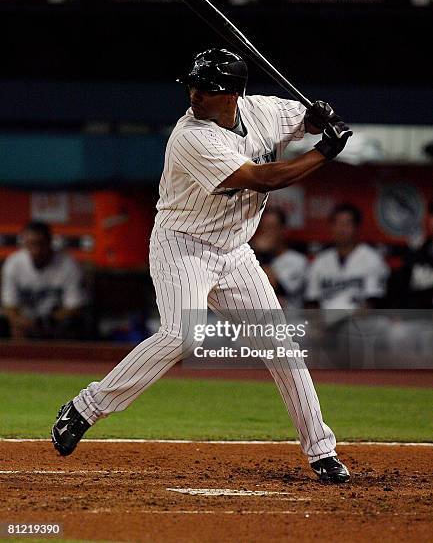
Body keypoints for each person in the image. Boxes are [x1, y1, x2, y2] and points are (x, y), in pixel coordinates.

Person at [52, 47, 352, 483]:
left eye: (206, 88)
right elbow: (265, 178)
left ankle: (321, 451)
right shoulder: (191, 135)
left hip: (234, 251)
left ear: (232, 94)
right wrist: (325, 151)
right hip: (183, 245)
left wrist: (318, 118)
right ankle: (86, 407)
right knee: (182, 335)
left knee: (280, 347)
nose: (194, 94)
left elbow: (303, 120)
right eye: (192, 85)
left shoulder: (264, 111)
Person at [1, 221, 87, 340]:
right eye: (31, 244)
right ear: (24, 243)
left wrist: (47, 321)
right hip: (24, 323)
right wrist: (21, 321)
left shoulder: (68, 264)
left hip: (56, 323)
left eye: (40, 244)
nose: (36, 249)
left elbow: (75, 306)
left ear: (50, 242)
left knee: (74, 323)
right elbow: (9, 305)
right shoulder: (14, 263)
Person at [306, 203, 389, 309]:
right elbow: (312, 302)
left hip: (361, 322)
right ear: (332, 227)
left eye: (347, 224)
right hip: (325, 322)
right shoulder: (319, 262)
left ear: (356, 228)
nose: (342, 229)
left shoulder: (372, 259)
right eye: (338, 224)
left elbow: (374, 301)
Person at [251, 207, 308, 309]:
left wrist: (264, 254)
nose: (266, 233)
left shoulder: (297, 261)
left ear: (283, 230)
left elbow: (276, 289)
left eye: (271, 227)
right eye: (264, 227)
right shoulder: (252, 258)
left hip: (290, 320)